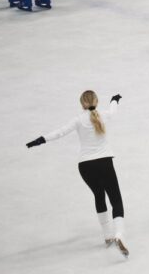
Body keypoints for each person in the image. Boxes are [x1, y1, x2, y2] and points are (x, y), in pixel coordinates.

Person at [25, 91, 129, 258]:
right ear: (96, 101)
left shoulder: (78, 120)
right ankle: (119, 235)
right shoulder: (103, 115)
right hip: (104, 163)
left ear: (82, 104)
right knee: (116, 200)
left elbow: (59, 132)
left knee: (99, 195)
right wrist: (115, 100)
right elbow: (113, 111)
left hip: (85, 166)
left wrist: (40, 140)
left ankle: (107, 236)